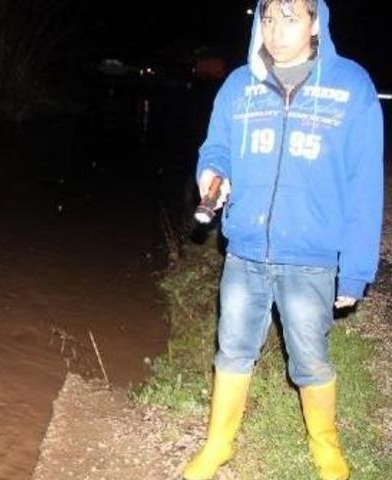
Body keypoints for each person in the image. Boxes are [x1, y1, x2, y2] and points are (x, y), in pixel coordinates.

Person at [183, 1, 384, 479]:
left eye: (290, 17)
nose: (274, 29)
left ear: (316, 22)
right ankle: (219, 444)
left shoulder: (351, 87)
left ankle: (326, 447)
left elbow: (365, 184)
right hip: (246, 250)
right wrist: (213, 172)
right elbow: (217, 148)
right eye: (268, 18)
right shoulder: (239, 85)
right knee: (232, 349)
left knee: (310, 359)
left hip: (312, 257)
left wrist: (356, 269)